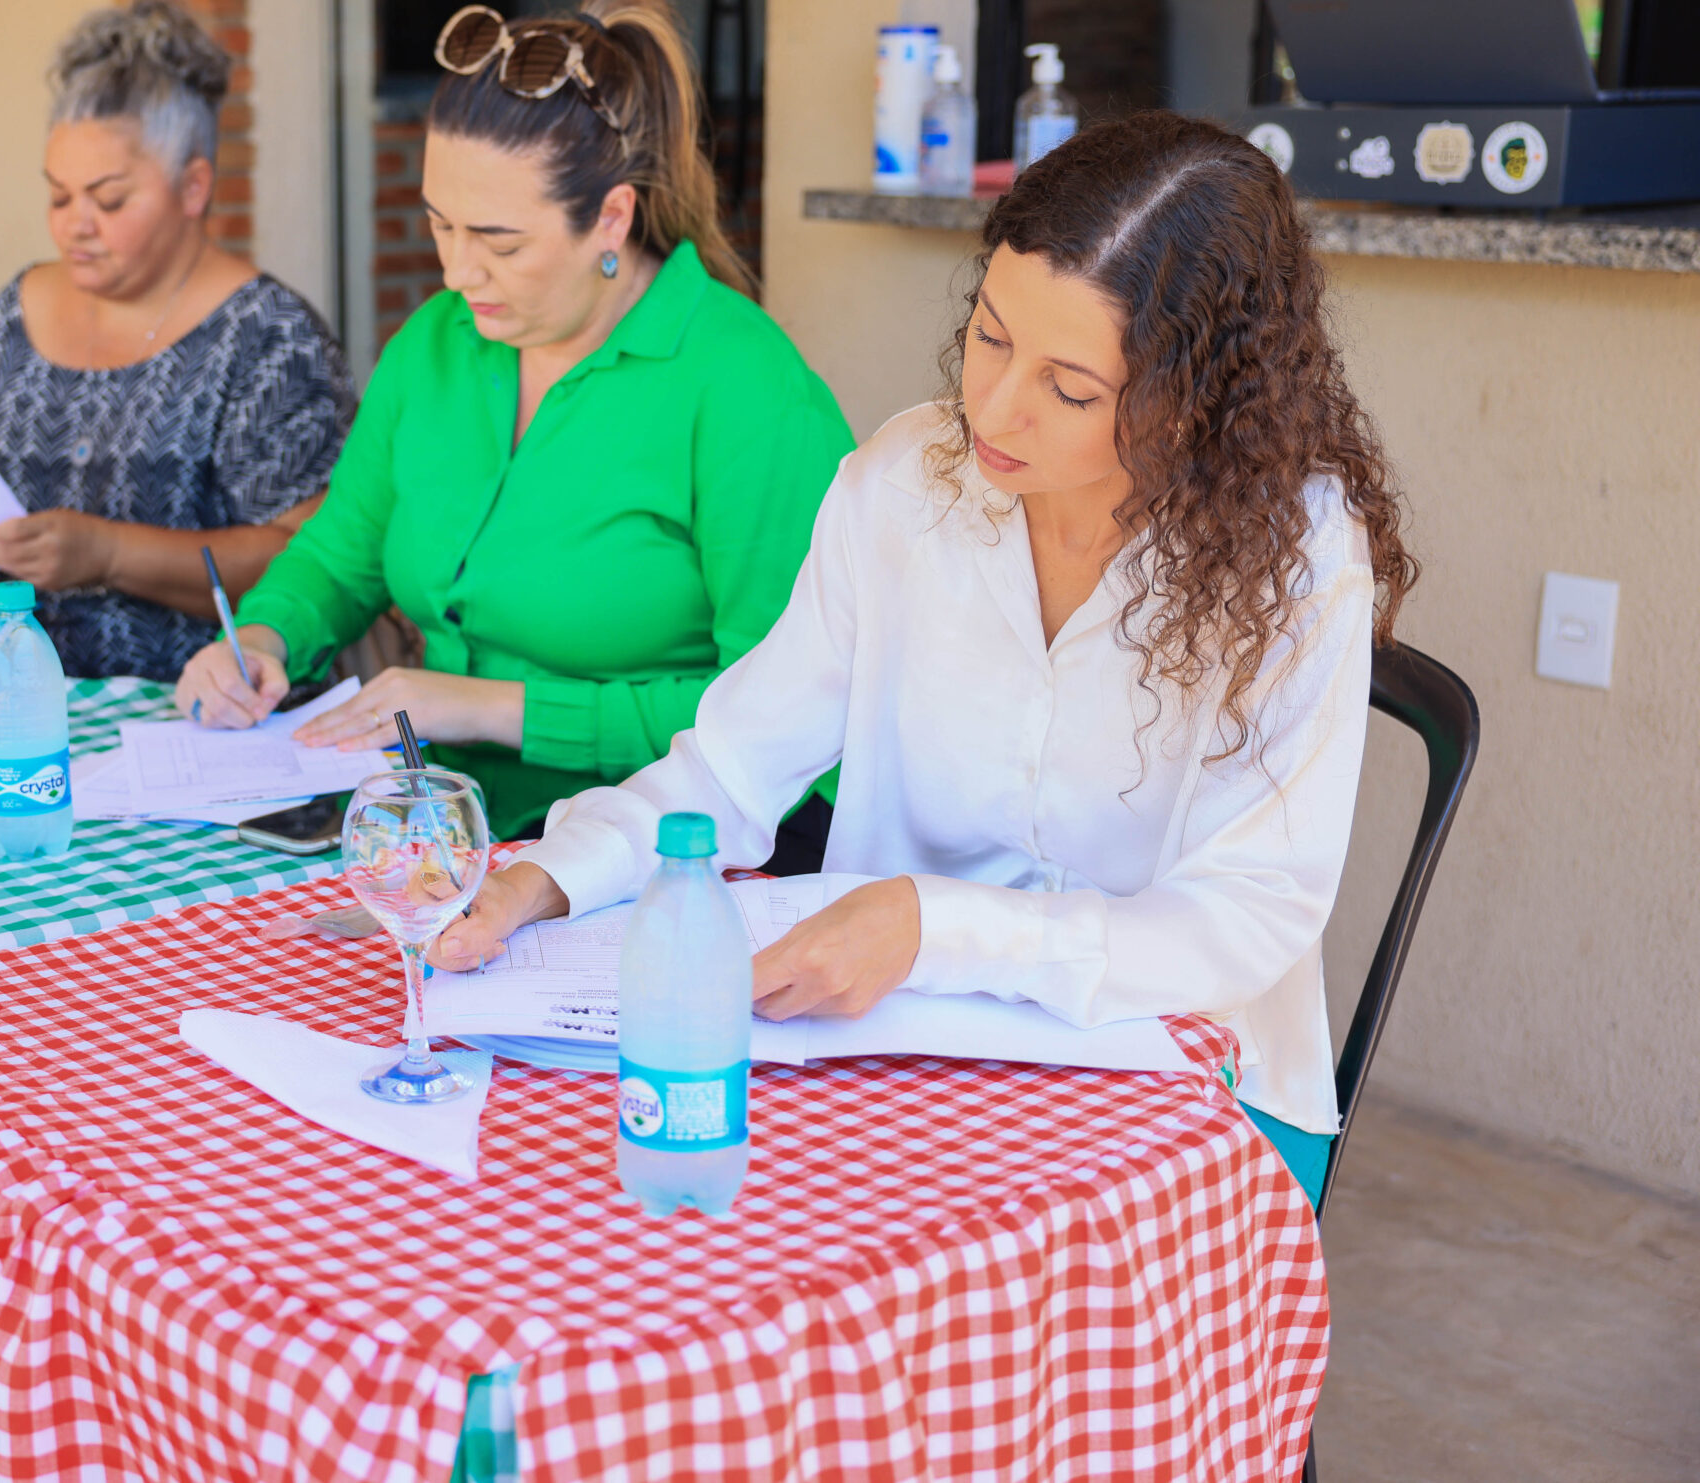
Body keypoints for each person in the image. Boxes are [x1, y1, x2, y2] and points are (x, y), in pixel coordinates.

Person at [430, 111, 1420, 1205]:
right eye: (991, 336)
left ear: (1194, 402)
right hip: (895, 1054)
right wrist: (554, 875)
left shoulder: (1296, 554)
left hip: (1188, 1088)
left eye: (1071, 389)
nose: (991, 408)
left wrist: (930, 928)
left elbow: (1244, 917)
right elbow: (732, 767)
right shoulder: (905, 483)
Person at [174, 0, 854, 841]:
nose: (457, 273)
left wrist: (495, 709)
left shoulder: (743, 387)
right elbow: (343, 553)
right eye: (439, 225)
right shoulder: (438, 342)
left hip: (672, 843)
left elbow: (784, 711)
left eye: (499, 241)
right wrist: (263, 640)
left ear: (612, 218)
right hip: (444, 822)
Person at [0, 0, 350, 681]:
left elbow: (320, 560)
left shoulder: (267, 336)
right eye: (58, 197)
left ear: (193, 186)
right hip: (27, 700)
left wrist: (110, 554)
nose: (75, 225)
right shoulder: (17, 309)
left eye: (108, 201)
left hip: (217, 716)